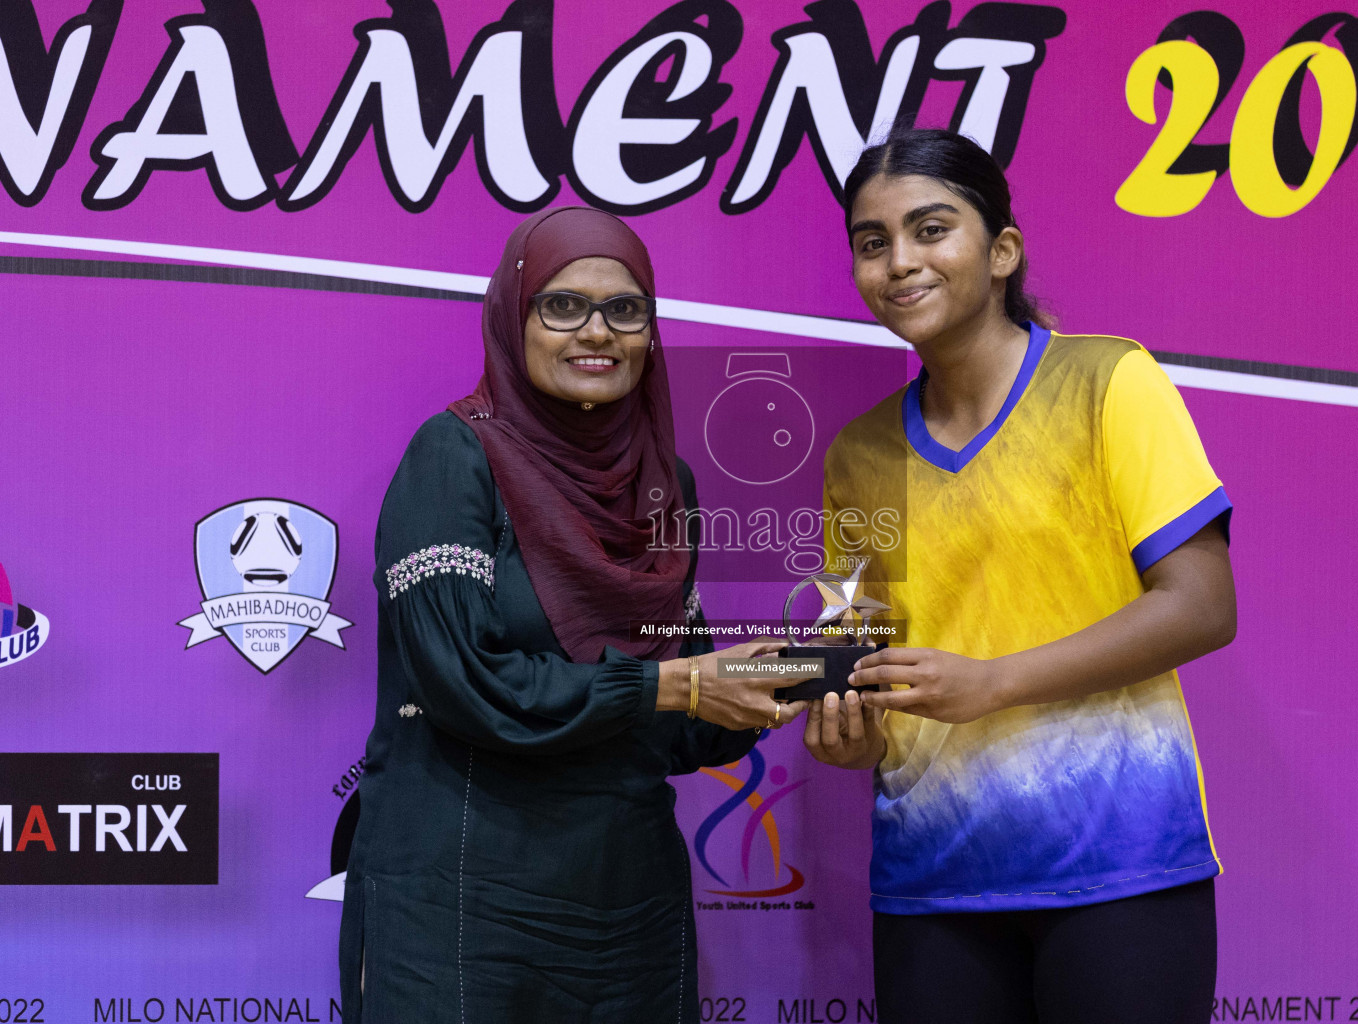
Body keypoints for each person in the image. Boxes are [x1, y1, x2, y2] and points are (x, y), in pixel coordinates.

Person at [803, 128, 1237, 1024]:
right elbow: (857, 661)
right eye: (872, 241)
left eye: (932, 229)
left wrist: (993, 682)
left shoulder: (1110, 380)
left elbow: (1202, 607)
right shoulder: (856, 456)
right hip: (933, 884)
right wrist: (852, 731)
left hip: (1119, 868)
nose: (899, 263)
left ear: (1002, 251)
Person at [339, 206, 805, 1023]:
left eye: (626, 310)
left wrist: (785, 679)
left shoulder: (665, 484)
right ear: (513, 318)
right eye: (563, 305)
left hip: (625, 901)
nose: (598, 331)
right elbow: (467, 683)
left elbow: (677, 721)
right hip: (463, 893)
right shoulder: (454, 458)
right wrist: (677, 686)